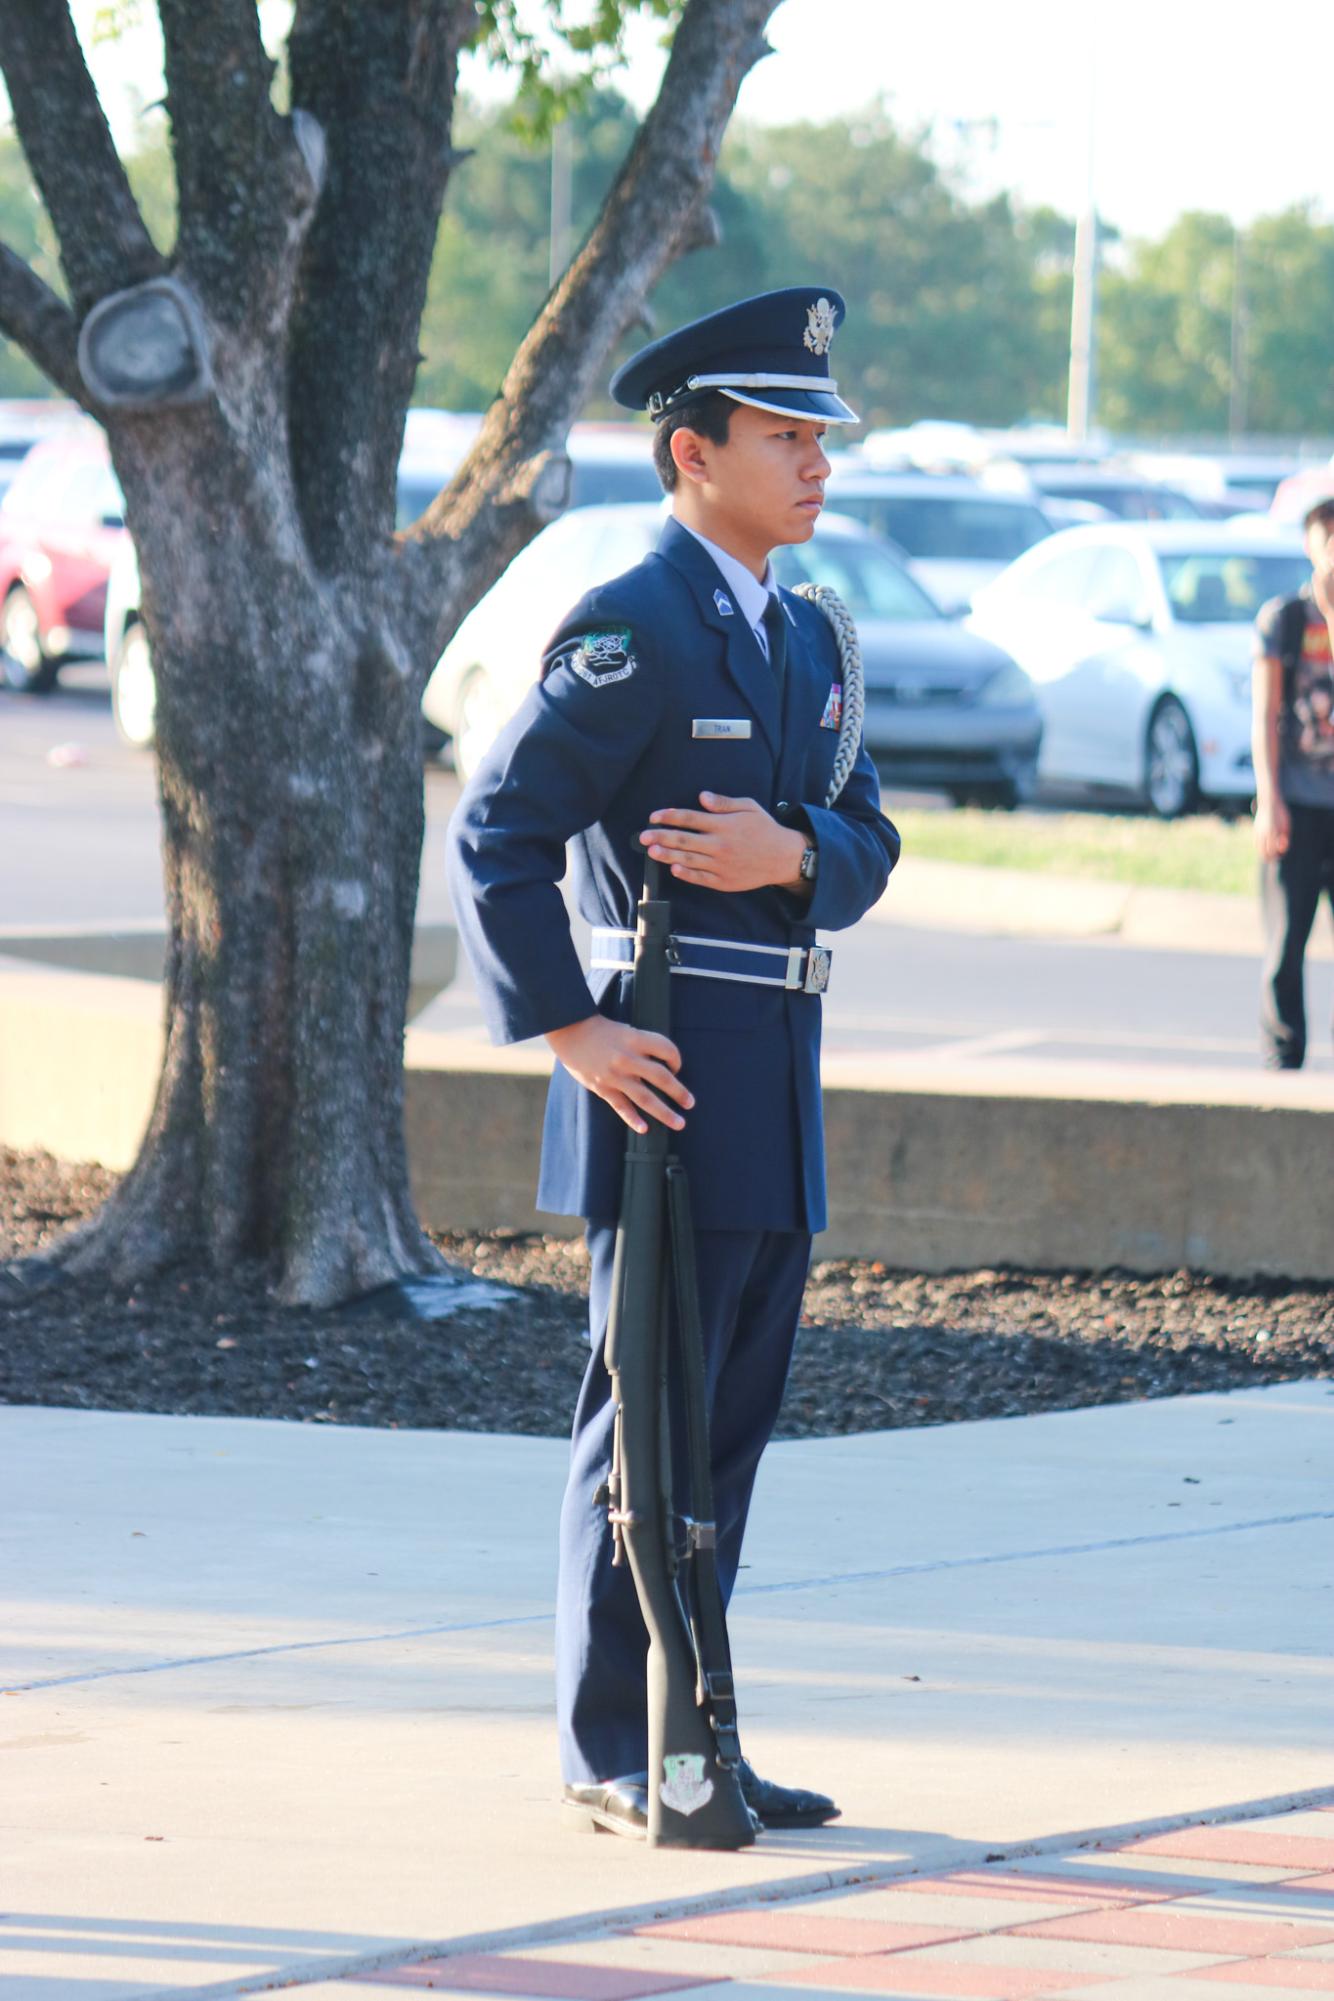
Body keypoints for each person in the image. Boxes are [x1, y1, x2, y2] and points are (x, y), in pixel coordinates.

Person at [447, 288, 900, 1839]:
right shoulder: (636, 622)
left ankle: (698, 1724)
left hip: (769, 1076)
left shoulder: (809, 636)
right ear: (690, 455)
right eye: (784, 437)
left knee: (722, 1432)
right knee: (639, 1420)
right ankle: (606, 1744)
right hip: (656, 1084)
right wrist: (569, 1029)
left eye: (820, 437)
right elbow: (494, 829)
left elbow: (869, 836)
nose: (815, 462)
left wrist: (794, 849)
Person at [1253, 497, 1334, 1068]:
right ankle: (1285, 1056)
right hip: (1297, 804)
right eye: (1326, 536)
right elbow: (1265, 712)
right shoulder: (1284, 619)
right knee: (1287, 942)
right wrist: (1269, 800)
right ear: (1310, 544)